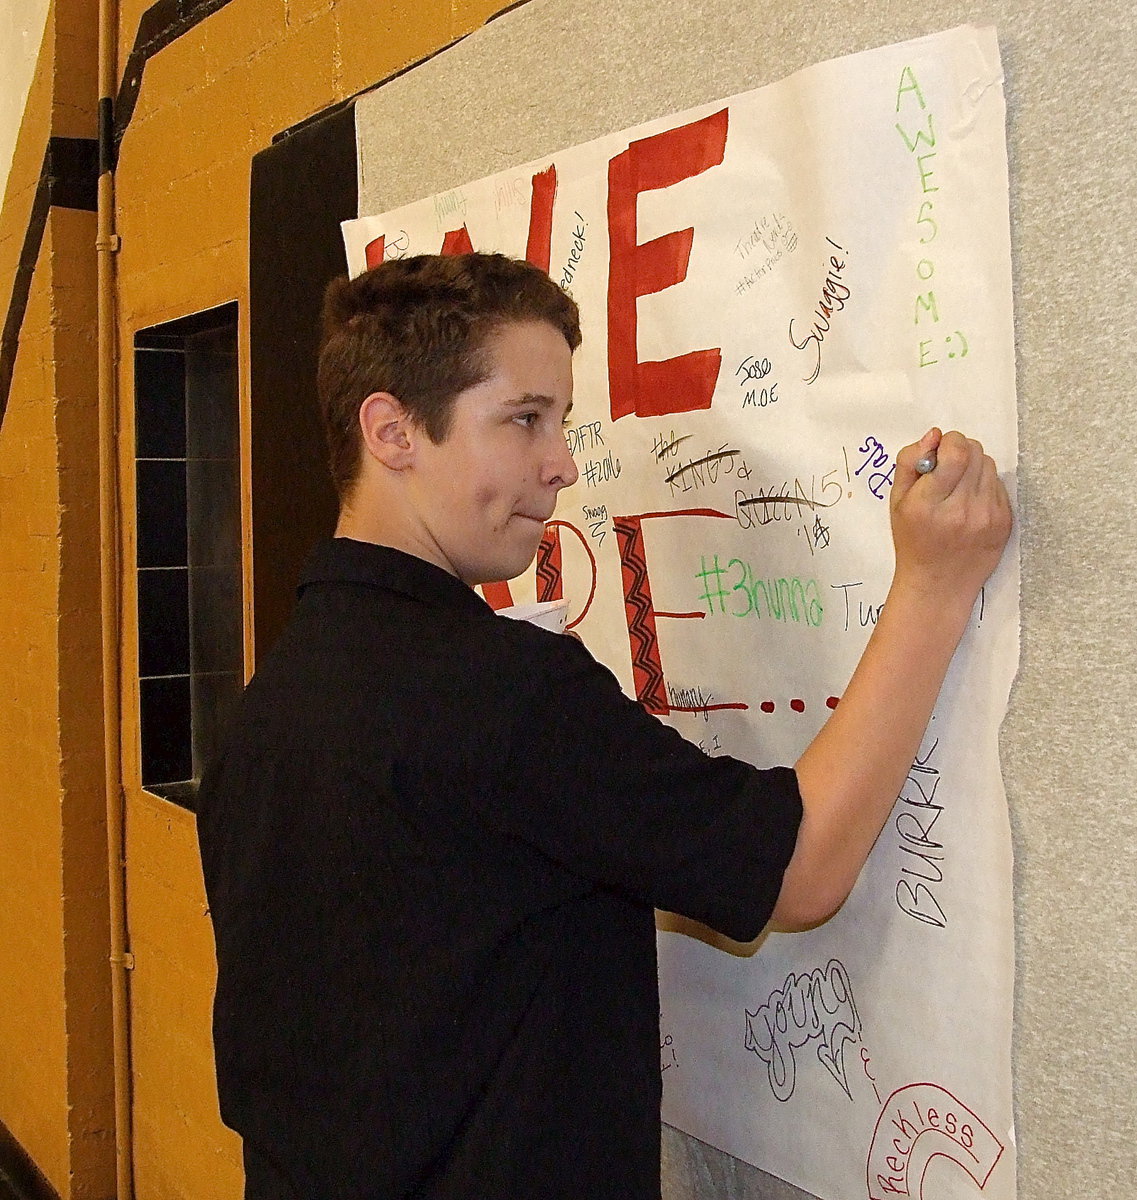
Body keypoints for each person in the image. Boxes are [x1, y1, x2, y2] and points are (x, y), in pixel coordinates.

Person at [195, 252, 1012, 1200]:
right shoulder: (494, 690)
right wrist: (932, 585)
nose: (563, 463)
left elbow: (447, 921)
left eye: (562, 421)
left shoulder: (274, 702)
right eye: (524, 419)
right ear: (392, 430)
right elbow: (799, 869)